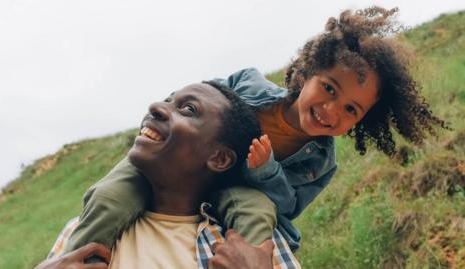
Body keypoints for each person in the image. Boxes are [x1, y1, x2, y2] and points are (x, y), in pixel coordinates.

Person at [63, 6, 448, 256]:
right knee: (110, 197)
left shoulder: (320, 162)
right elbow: (196, 95)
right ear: (309, 72)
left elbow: (288, 207)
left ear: (362, 120)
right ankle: (74, 258)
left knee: (259, 212)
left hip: (235, 190)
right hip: (178, 164)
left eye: (351, 109)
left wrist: (266, 171)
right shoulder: (249, 84)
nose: (331, 111)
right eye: (328, 88)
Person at [42, 82, 301, 269]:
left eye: (188, 109)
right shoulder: (81, 229)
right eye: (168, 100)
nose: (156, 107)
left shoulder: (254, 248)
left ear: (219, 158)